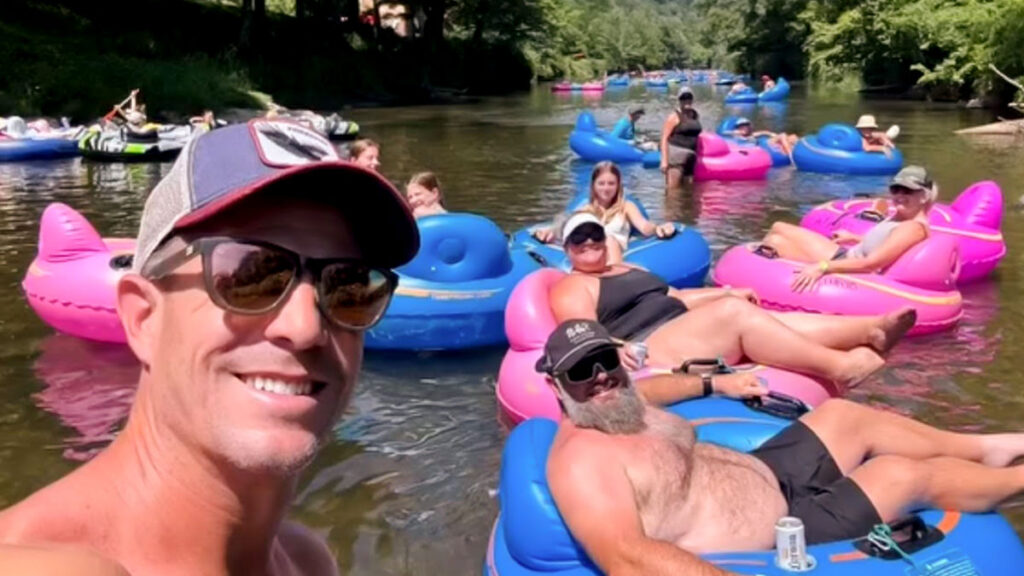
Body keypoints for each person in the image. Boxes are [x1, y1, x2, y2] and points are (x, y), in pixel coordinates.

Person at [0, 119, 420, 575]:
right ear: (144, 318)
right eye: (250, 274)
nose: (305, 327)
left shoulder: (307, 561)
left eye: (348, 285)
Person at [540, 319, 1024, 573]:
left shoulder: (616, 400)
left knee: (843, 416)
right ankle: (1013, 480)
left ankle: (987, 447)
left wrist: (714, 387)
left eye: (605, 359)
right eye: (581, 371)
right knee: (902, 475)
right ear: (557, 387)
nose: (600, 376)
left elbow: (649, 391)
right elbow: (628, 558)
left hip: (763, 471)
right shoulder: (583, 460)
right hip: (777, 535)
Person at [549, 212, 918, 389]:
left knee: (759, 314)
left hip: (679, 322)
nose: (589, 244)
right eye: (578, 240)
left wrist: (725, 291)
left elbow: (676, 297)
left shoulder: (624, 266)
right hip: (649, 342)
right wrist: (621, 346)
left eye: (594, 235)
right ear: (566, 248)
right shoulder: (573, 285)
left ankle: (871, 330)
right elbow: (583, 332)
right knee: (733, 314)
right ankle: (840, 368)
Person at [760, 166, 934, 292]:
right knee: (778, 228)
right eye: (896, 190)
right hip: (846, 254)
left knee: (776, 240)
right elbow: (890, 245)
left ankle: (765, 293)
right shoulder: (903, 218)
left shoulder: (913, 228)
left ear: (924, 196)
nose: (900, 196)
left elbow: (871, 264)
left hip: (847, 264)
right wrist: (854, 238)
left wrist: (822, 267)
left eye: (908, 191)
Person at [531, 162, 677, 264]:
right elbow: (565, 227)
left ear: (618, 186)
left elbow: (644, 227)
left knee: (609, 240)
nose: (606, 188)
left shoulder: (626, 207)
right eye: (601, 183)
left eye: (611, 183)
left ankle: (615, 282)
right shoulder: (586, 210)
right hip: (591, 256)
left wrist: (658, 228)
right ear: (593, 186)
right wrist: (548, 231)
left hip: (614, 254)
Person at [660, 87, 702, 188]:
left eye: (689, 97)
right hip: (676, 157)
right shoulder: (674, 117)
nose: (686, 100)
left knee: (688, 190)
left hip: (691, 157)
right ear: (679, 100)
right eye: (683, 98)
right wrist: (664, 161)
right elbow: (664, 138)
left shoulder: (694, 115)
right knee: (673, 190)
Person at [727, 117, 798, 157]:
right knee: (782, 135)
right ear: (737, 128)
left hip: (764, 142)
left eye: (746, 125)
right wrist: (736, 132)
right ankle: (791, 156)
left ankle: (800, 151)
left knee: (793, 137)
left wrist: (771, 134)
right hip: (764, 146)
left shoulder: (752, 134)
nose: (745, 128)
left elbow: (764, 132)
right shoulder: (736, 135)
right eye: (741, 126)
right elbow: (726, 134)